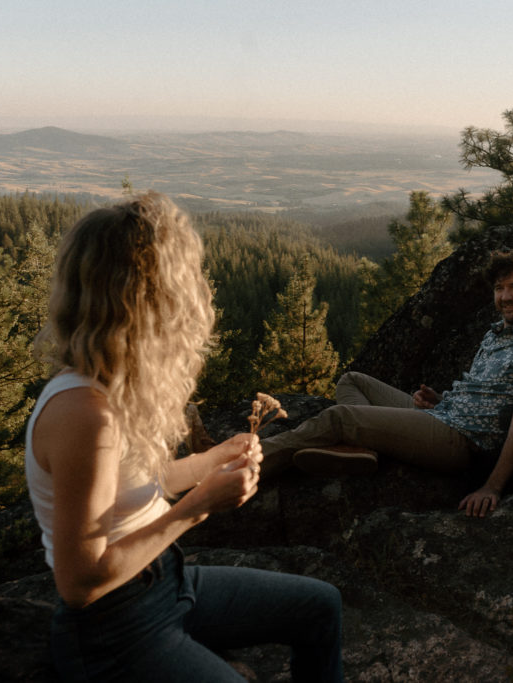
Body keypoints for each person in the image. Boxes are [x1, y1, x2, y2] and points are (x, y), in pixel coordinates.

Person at [25, 192, 343, 682]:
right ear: (149, 300)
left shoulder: (109, 387)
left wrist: (214, 460)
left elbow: (128, 489)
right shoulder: (84, 414)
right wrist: (197, 506)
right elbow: (79, 583)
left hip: (166, 585)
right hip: (115, 628)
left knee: (320, 605)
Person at [261, 246, 513, 518]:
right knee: (353, 381)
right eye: (499, 288)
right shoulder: (495, 334)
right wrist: (441, 401)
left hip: (460, 441)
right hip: (442, 415)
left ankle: (246, 464)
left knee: (340, 417)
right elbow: (486, 398)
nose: (505, 296)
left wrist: (491, 488)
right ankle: (362, 450)